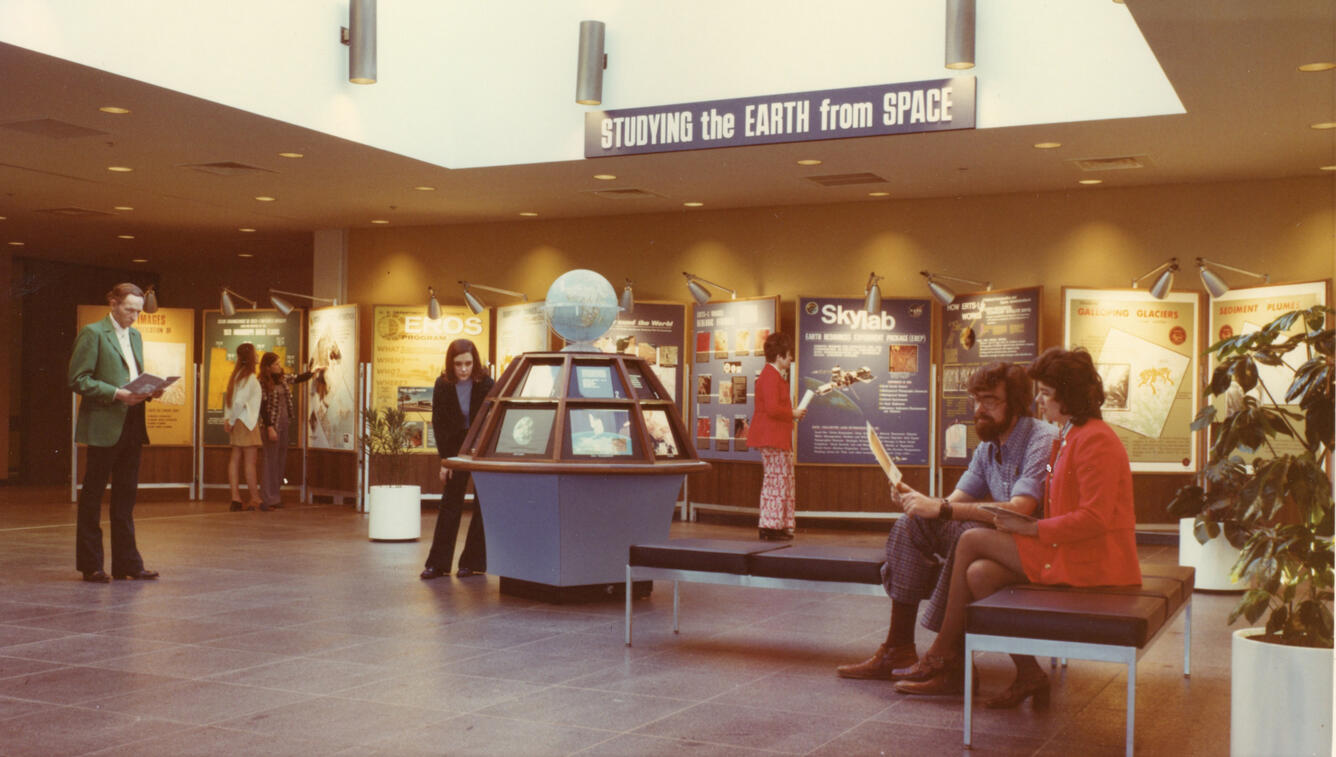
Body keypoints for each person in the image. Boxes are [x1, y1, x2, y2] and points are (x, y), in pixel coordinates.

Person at [894, 347, 1141, 706]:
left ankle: (942, 656)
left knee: (972, 541)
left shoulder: (1095, 439)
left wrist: (1032, 529)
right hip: (1071, 550)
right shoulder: (1071, 434)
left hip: (1095, 560)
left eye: (1045, 393)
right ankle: (1028, 674)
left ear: (1067, 395)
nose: (1039, 401)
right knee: (979, 574)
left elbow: (1095, 518)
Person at [837, 363, 1057, 702]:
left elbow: (1021, 509)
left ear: (1014, 403)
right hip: (991, 539)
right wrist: (918, 502)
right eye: (976, 400)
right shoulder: (988, 447)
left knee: (963, 531)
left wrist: (940, 508)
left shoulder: (1040, 438)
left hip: (1028, 547)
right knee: (912, 525)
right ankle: (898, 647)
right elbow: (951, 505)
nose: (979, 409)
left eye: (990, 400)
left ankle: (949, 663)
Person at [68, 282, 161, 582]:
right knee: (93, 495)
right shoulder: (93, 333)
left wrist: (149, 389)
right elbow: (78, 379)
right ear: (113, 304)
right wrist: (116, 393)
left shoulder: (135, 335)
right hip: (105, 422)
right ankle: (91, 564)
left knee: (126, 497)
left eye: (138, 311)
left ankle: (128, 564)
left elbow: (132, 374)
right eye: (129, 309)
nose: (134, 316)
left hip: (133, 420)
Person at [421, 338, 495, 579]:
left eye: (468, 363)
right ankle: (438, 564)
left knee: (483, 505)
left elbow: (492, 420)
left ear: (475, 362)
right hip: (455, 448)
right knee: (450, 503)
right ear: (450, 364)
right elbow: (439, 424)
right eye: (458, 364)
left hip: (481, 447)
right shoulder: (442, 385)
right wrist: (445, 462)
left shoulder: (486, 383)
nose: (463, 369)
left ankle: (472, 562)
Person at [749, 332, 806, 540]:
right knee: (776, 481)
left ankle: (778, 524)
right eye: (789, 354)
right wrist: (793, 414)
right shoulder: (770, 376)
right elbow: (773, 409)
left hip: (776, 437)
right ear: (779, 355)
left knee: (782, 480)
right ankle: (769, 527)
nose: (791, 359)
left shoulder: (771, 375)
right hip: (772, 438)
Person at [258, 352, 322, 511]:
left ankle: (275, 495)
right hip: (272, 426)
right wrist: (269, 427)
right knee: (270, 461)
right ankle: (268, 497)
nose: (280, 366)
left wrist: (313, 372)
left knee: (280, 460)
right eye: (276, 364)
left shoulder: (282, 378)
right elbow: (262, 407)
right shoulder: (261, 383)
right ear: (268, 367)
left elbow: (298, 378)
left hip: (284, 424)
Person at [222, 342, 262, 511]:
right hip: (246, 422)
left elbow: (230, 400)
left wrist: (228, 419)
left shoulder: (236, 376)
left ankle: (236, 498)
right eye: (255, 353)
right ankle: (255, 498)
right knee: (250, 462)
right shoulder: (250, 378)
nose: (258, 355)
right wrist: (231, 421)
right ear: (251, 357)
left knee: (235, 459)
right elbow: (239, 402)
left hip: (237, 421)